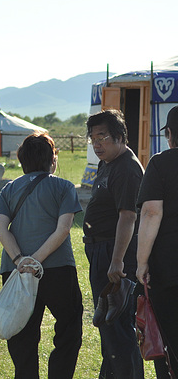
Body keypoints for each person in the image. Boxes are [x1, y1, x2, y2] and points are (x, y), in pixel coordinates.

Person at [0, 132, 83, 379]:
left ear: (22, 160)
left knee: (22, 333)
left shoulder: (9, 189)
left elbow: (1, 227)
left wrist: (21, 260)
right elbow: (63, 229)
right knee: (69, 329)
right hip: (58, 269)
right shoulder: (64, 187)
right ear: (52, 159)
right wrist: (36, 260)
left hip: (16, 270)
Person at [84, 109, 144, 378]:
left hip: (115, 254)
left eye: (102, 137)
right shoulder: (106, 163)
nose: (97, 145)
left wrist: (117, 260)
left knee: (118, 328)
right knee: (108, 326)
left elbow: (128, 216)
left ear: (120, 137)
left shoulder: (128, 168)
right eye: (92, 139)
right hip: (101, 251)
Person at [136, 106, 178, 378]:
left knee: (172, 344)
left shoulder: (161, 163)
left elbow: (151, 212)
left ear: (170, 134)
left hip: (169, 269)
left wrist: (141, 262)